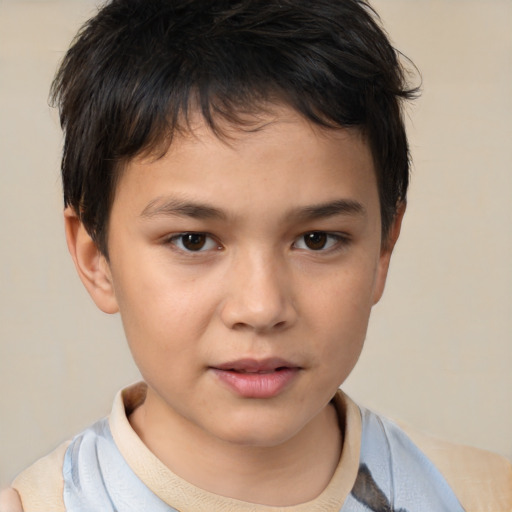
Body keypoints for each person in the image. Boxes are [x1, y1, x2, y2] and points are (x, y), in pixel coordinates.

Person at [1, 0, 511, 510]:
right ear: (96, 258)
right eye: (193, 241)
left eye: (316, 240)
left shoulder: (484, 495)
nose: (261, 307)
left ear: (383, 248)